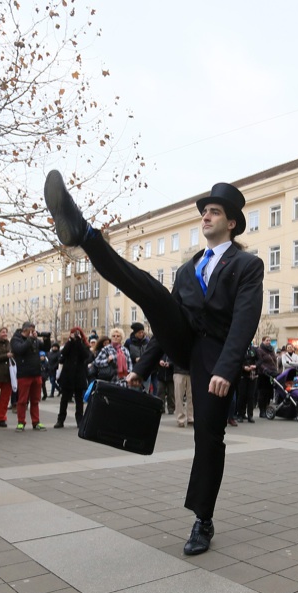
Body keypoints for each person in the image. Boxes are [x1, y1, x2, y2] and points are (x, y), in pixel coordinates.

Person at [46, 172, 264, 555]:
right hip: (183, 341)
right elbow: (163, 326)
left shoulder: (247, 265)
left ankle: (203, 519)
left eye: (214, 212)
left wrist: (225, 370)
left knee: (208, 437)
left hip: (215, 354)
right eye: (204, 212)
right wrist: (140, 368)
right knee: (150, 291)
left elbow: (245, 321)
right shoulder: (187, 270)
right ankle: (84, 233)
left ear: (231, 222)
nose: (206, 217)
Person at [54, 327, 90, 428]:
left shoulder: (83, 344)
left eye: (77, 333)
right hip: (68, 375)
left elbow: (85, 355)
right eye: (73, 333)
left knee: (79, 400)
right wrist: (70, 341)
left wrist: (78, 341)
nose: (75, 335)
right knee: (64, 399)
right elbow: (64, 353)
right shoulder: (69, 344)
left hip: (79, 375)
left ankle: (80, 420)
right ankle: (60, 420)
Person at [11, 321, 45, 430]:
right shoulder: (16, 339)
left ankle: (36, 421)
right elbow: (20, 350)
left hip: (36, 373)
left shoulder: (35, 340)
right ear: (25, 329)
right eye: (31, 329)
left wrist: (46, 339)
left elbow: (46, 348)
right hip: (24, 374)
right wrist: (30, 339)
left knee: (35, 400)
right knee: (22, 400)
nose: (33, 332)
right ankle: (21, 422)